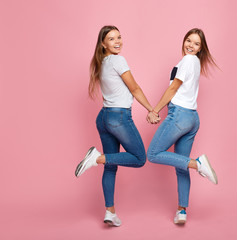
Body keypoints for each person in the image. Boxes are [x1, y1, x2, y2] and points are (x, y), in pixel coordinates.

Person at [75, 25, 158, 227]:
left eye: (119, 37)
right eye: (111, 39)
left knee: (110, 167)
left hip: (103, 117)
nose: (117, 41)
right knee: (139, 158)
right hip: (118, 117)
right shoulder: (118, 60)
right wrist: (151, 110)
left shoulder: (101, 62)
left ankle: (110, 212)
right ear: (103, 43)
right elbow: (135, 88)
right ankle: (97, 158)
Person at [147, 28, 218, 225]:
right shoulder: (194, 62)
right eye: (189, 40)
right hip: (192, 118)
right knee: (180, 164)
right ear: (184, 40)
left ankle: (198, 165)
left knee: (152, 153)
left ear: (201, 48)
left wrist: (155, 110)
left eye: (196, 44)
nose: (191, 45)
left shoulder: (188, 60)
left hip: (179, 115)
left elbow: (173, 88)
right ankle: (182, 211)